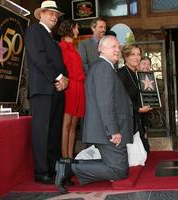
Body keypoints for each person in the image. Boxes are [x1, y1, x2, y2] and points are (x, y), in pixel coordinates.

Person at [55, 35, 133, 193]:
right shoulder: (104, 68)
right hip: (108, 131)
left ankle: (68, 166)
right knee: (119, 170)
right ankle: (68, 168)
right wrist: (113, 131)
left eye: (118, 47)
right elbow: (105, 103)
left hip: (105, 129)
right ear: (101, 49)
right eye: (113, 46)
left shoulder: (104, 67)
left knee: (119, 167)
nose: (117, 50)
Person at [25, 0, 68, 184]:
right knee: (43, 132)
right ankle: (42, 172)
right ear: (41, 14)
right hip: (43, 90)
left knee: (54, 132)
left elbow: (60, 64)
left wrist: (64, 80)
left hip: (55, 90)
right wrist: (59, 77)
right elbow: (38, 57)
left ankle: (53, 169)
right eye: (50, 12)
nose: (54, 16)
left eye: (56, 14)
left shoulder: (52, 37)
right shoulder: (35, 30)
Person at [58, 20, 85, 160]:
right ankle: (65, 158)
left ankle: (70, 157)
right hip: (69, 87)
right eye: (76, 28)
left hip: (79, 86)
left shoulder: (74, 48)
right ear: (70, 29)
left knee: (74, 124)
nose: (78, 31)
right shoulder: (61, 47)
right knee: (67, 123)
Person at [117, 44, 152, 152]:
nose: (136, 57)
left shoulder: (136, 74)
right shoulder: (121, 73)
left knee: (145, 151)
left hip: (137, 119)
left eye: (138, 54)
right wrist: (138, 109)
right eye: (133, 54)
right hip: (126, 121)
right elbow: (120, 101)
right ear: (126, 56)